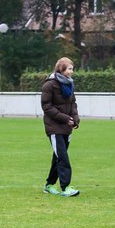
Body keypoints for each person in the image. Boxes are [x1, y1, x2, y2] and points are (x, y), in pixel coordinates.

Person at [41, 57, 80, 196]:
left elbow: (73, 104)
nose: (71, 72)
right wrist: (65, 119)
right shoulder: (49, 85)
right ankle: (66, 187)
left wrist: (75, 119)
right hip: (54, 127)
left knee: (58, 157)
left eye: (72, 69)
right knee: (63, 157)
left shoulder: (69, 84)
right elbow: (47, 107)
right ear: (61, 69)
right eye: (69, 69)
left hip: (66, 127)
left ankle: (49, 185)